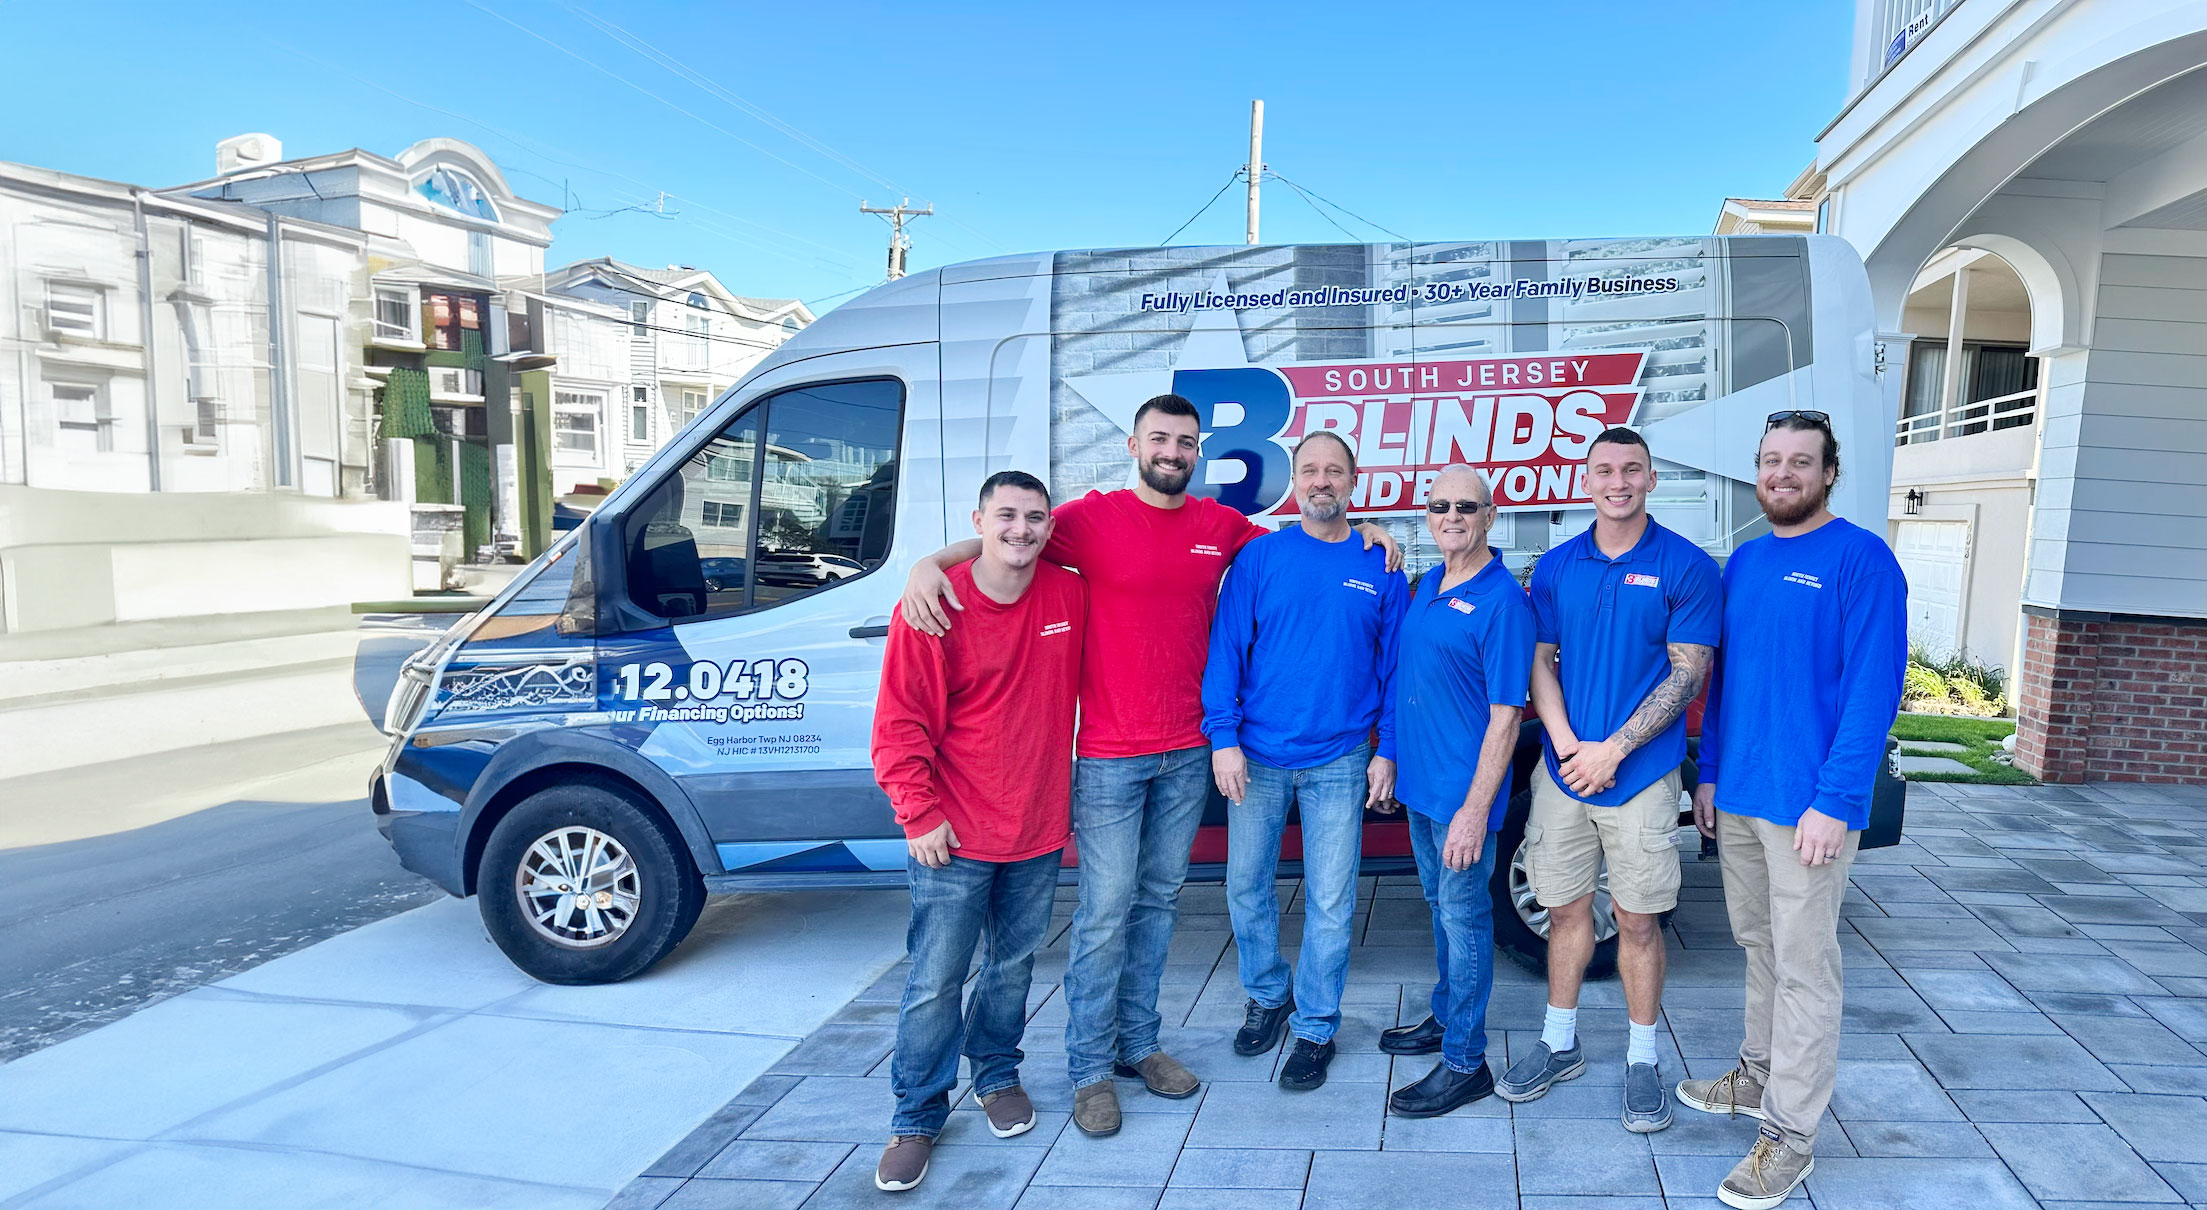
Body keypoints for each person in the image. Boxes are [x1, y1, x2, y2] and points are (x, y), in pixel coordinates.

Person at [899, 395, 1400, 1137]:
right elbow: (1008, 537)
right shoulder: (1086, 520)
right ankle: (1089, 1070)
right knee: (1102, 917)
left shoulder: (1220, 529)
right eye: (1159, 439)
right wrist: (926, 563)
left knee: (1158, 905)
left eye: (1185, 442)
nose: (1172, 451)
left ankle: (1138, 1044)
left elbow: (1308, 545)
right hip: (1108, 755)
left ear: (1197, 454)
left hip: (1186, 753)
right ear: (1134, 443)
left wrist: (1369, 533)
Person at [1676, 412, 1906, 1210]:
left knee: (1807, 967)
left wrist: (1836, 802)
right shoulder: (1744, 562)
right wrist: (1707, 776)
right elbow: (1728, 685)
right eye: (1771, 460)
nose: (1782, 474)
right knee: (1758, 944)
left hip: (1806, 805)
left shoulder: (1862, 560)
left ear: (1828, 472)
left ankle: (1790, 1137)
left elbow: (1873, 692)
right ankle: (1757, 1074)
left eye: (1799, 462)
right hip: (1739, 793)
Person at [869, 471, 1088, 1193]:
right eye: (1005, 517)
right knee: (935, 981)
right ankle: (915, 1116)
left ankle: (996, 1074)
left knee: (1012, 969)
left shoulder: (1067, 591)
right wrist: (917, 812)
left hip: (1035, 829)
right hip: (952, 836)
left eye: (1034, 517)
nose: (1020, 529)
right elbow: (898, 723)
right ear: (978, 519)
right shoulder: (934, 604)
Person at [1497, 427, 1720, 1134]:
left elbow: (1688, 671)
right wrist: (1568, 748)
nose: (1617, 481)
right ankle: (1558, 1045)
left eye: (1631, 470)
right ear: (1584, 481)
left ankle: (1641, 1060)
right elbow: (1539, 658)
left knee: (1635, 920)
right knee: (1565, 913)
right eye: (1603, 470)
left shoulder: (1686, 567)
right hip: (1566, 773)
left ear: (1651, 479)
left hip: (1642, 775)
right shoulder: (1559, 566)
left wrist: (1613, 750)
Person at [1203, 429, 1408, 1093]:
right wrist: (1223, 739)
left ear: (1353, 482)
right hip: (1257, 756)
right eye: (1310, 471)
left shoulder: (1381, 564)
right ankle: (1267, 995)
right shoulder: (1262, 559)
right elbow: (1226, 651)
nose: (1321, 481)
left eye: (1333, 471)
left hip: (1340, 760)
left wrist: (1388, 751)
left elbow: (1395, 668)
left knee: (1329, 900)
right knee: (1245, 885)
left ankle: (1315, 1025)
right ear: (1296, 481)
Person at [1381, 465, 1533, 1118]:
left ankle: (1464, 1062)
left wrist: (1475, 812)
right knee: (1442, 909)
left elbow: (1506, 716)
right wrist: (1387, 755)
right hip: (1420, 787)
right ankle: (1445, 1017)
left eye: (1465, 507)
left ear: (1489, 516)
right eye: (1439, 506)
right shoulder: (1428, 585)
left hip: (1461, 797)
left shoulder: (1503, 602)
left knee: (1466, 922)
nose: (1451, 516)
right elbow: (1404, 676)